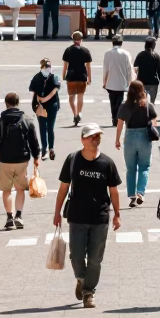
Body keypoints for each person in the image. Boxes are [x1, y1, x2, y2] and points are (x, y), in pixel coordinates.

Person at [53, 124, 122, 308]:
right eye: (92, 136)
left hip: (100, 218)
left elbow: (114, 191)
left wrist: (117, 214)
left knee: (95, 259)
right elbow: (63, 188)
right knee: (76, 256)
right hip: (77, 217)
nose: (96, 138)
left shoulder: (107, 163)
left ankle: (89, 291)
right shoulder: (73, 159)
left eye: (98, 135)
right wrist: (57, 212)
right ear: (83, 139)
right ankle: (81, 279)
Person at [0, 93, 41, 230]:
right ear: (18, 103)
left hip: (5, 160)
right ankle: (19, 216)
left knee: (6, 190)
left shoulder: (1, 121)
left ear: (6, 103)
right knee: (20, 189)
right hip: (22, 160)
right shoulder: (26, 120)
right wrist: (36, 156)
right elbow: (34, 141)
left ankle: (9, 217)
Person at [115, 80, 158, 207]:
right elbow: (154, 121)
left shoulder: (125, 105)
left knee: (131, 168)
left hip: (130, 137)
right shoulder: (147, 105)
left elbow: (120, 124)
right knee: (144, 166)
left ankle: (132, 196)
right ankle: (140, 193)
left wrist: (117, 139)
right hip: (144, 136)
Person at [29, 58, 61, 160]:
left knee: (50, 127)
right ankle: (44, 149)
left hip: (52, 104)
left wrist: (44, 99)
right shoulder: (36, 78)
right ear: (41, 67)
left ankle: (51, 148)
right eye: (46, 67)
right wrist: (39, 101)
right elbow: (33, 92)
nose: (48, 69)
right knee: (42, 127)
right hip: (40, 106)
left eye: (49, 67)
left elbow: (54, 91)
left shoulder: (54, 77)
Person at [62, 30, 93, 127]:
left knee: (71, 97)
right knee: (80, 96)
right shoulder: (85, 51)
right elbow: (88, 67)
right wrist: (89, 78)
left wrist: (63, 75)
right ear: (81, 40)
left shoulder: (68, 50)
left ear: (73, 40)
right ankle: (79, 112)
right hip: (82, 76)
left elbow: (65, 65)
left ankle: (75, 114)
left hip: (71, 76)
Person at [102, 36, 135, 126]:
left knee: (112, 102)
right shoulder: (126, 54)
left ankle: (114, 118)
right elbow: (129, 69)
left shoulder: (107, 54)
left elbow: (105, 69)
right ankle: (118, 118)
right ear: (121, 43)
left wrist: (104, 82)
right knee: (120, 102)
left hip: (110, 83)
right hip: (121, 83)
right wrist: (130, 81)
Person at [133, 36, 160, 105]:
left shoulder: (140, 55)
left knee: (141, 102)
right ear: (153, 45)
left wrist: (134, 79)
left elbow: (135, 68)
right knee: (152, 103)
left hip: (142, 82)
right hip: (153, 82)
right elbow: (159, 69)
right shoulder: (156, 56)